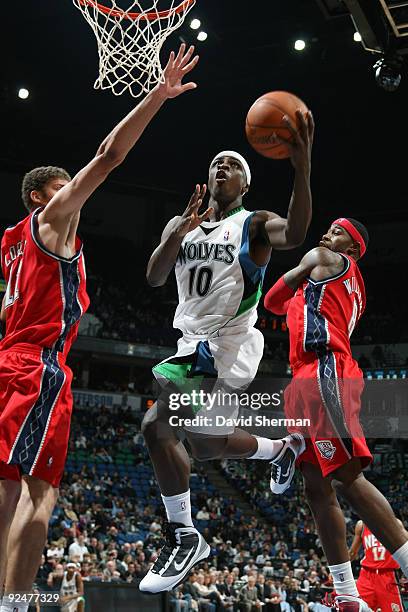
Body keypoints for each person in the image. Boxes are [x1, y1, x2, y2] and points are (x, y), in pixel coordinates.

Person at [0, 43, 199, 612]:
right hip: (37, 368)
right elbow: (109, 156)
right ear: (42, 195)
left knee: (7, 486)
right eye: (66, 186)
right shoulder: (50, 221)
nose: (75, 193)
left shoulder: (12, 242)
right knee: (38, 492)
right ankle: (14, 602)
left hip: (11, 362)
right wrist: (157, 96)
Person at [140, 110, 315, 593]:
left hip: (225, 344)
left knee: (157, 427)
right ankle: (281, 448)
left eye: (232, 165)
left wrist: (300, 167)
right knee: (207, 446)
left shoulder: (253, 224)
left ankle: (184, 534)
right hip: (190, 341)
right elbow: (155, 277)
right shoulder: (185, 224)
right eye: (216, 162)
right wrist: (177, 231)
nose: (222, 167)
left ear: (244, 182)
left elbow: (296, 234)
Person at [264, 217, 408, 611]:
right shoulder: (350, 283)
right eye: (329, 227)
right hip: (307, 374)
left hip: (325, 368)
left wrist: (297, 277)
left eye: (339, 231)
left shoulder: (324, 256)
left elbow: (272, 301)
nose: (329, 233)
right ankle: (346, 592)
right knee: (315, 484)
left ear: (353, 248)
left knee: (345, 476)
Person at [349, 519, 405, 611]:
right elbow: (352, 552)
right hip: (366, 575)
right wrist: (339, 568)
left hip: (387, 575)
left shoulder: (394, 523)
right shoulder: (361, 525)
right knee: (358, 608)